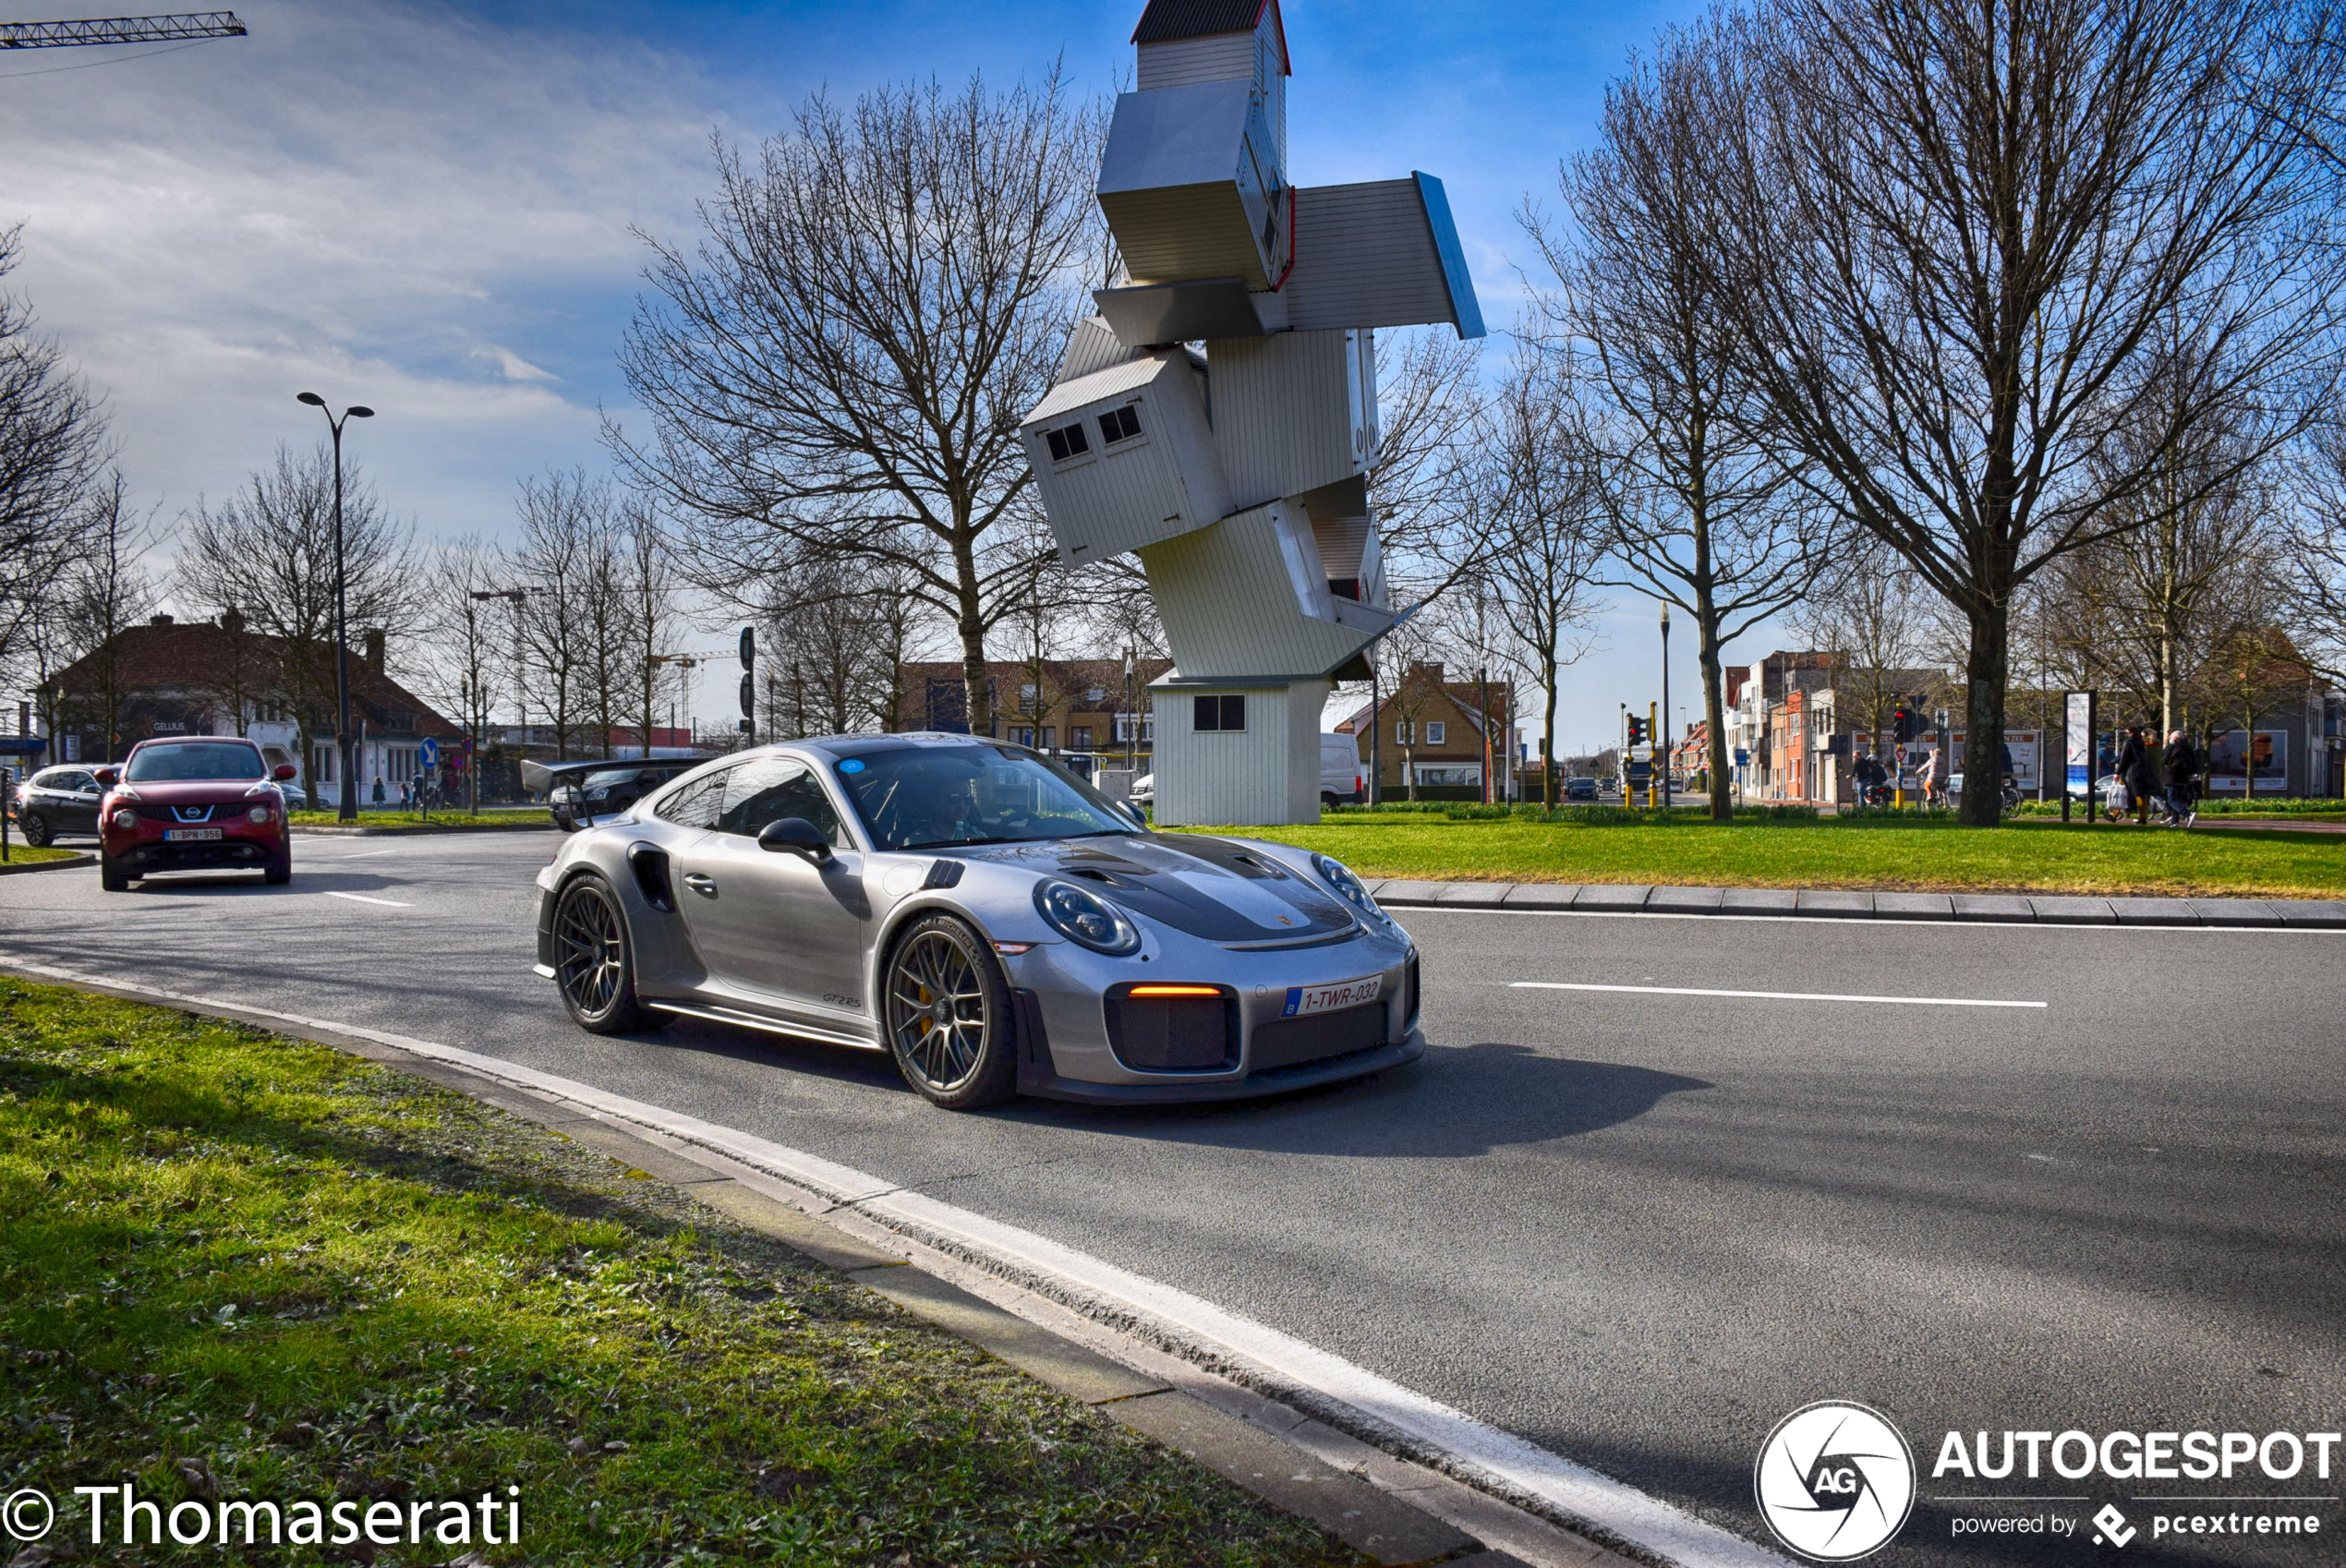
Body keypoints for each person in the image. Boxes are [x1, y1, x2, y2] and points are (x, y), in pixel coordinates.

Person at [2117, 725, 2155, 825]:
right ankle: (2143, 816)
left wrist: (2117, 772)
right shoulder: (2141, 742)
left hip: (2131, 771)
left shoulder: (2129, 742)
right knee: (2140, 794)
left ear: (2131, 733)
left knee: (2122, 792)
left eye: (2127, 732)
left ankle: (2115, 814)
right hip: (2142, 770)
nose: (2126, 734)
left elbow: (2124, 758)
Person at [2162, 730, 2199, 827]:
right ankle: (2175, 822)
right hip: (2184, 777)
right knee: (2178, 798)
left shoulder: (2171, 747)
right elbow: (2195, 762)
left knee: (2171, 799)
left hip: (2172, 776)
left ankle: (2187, 814)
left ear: (2174, 738)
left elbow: (2164, 761)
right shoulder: (2188, 747)